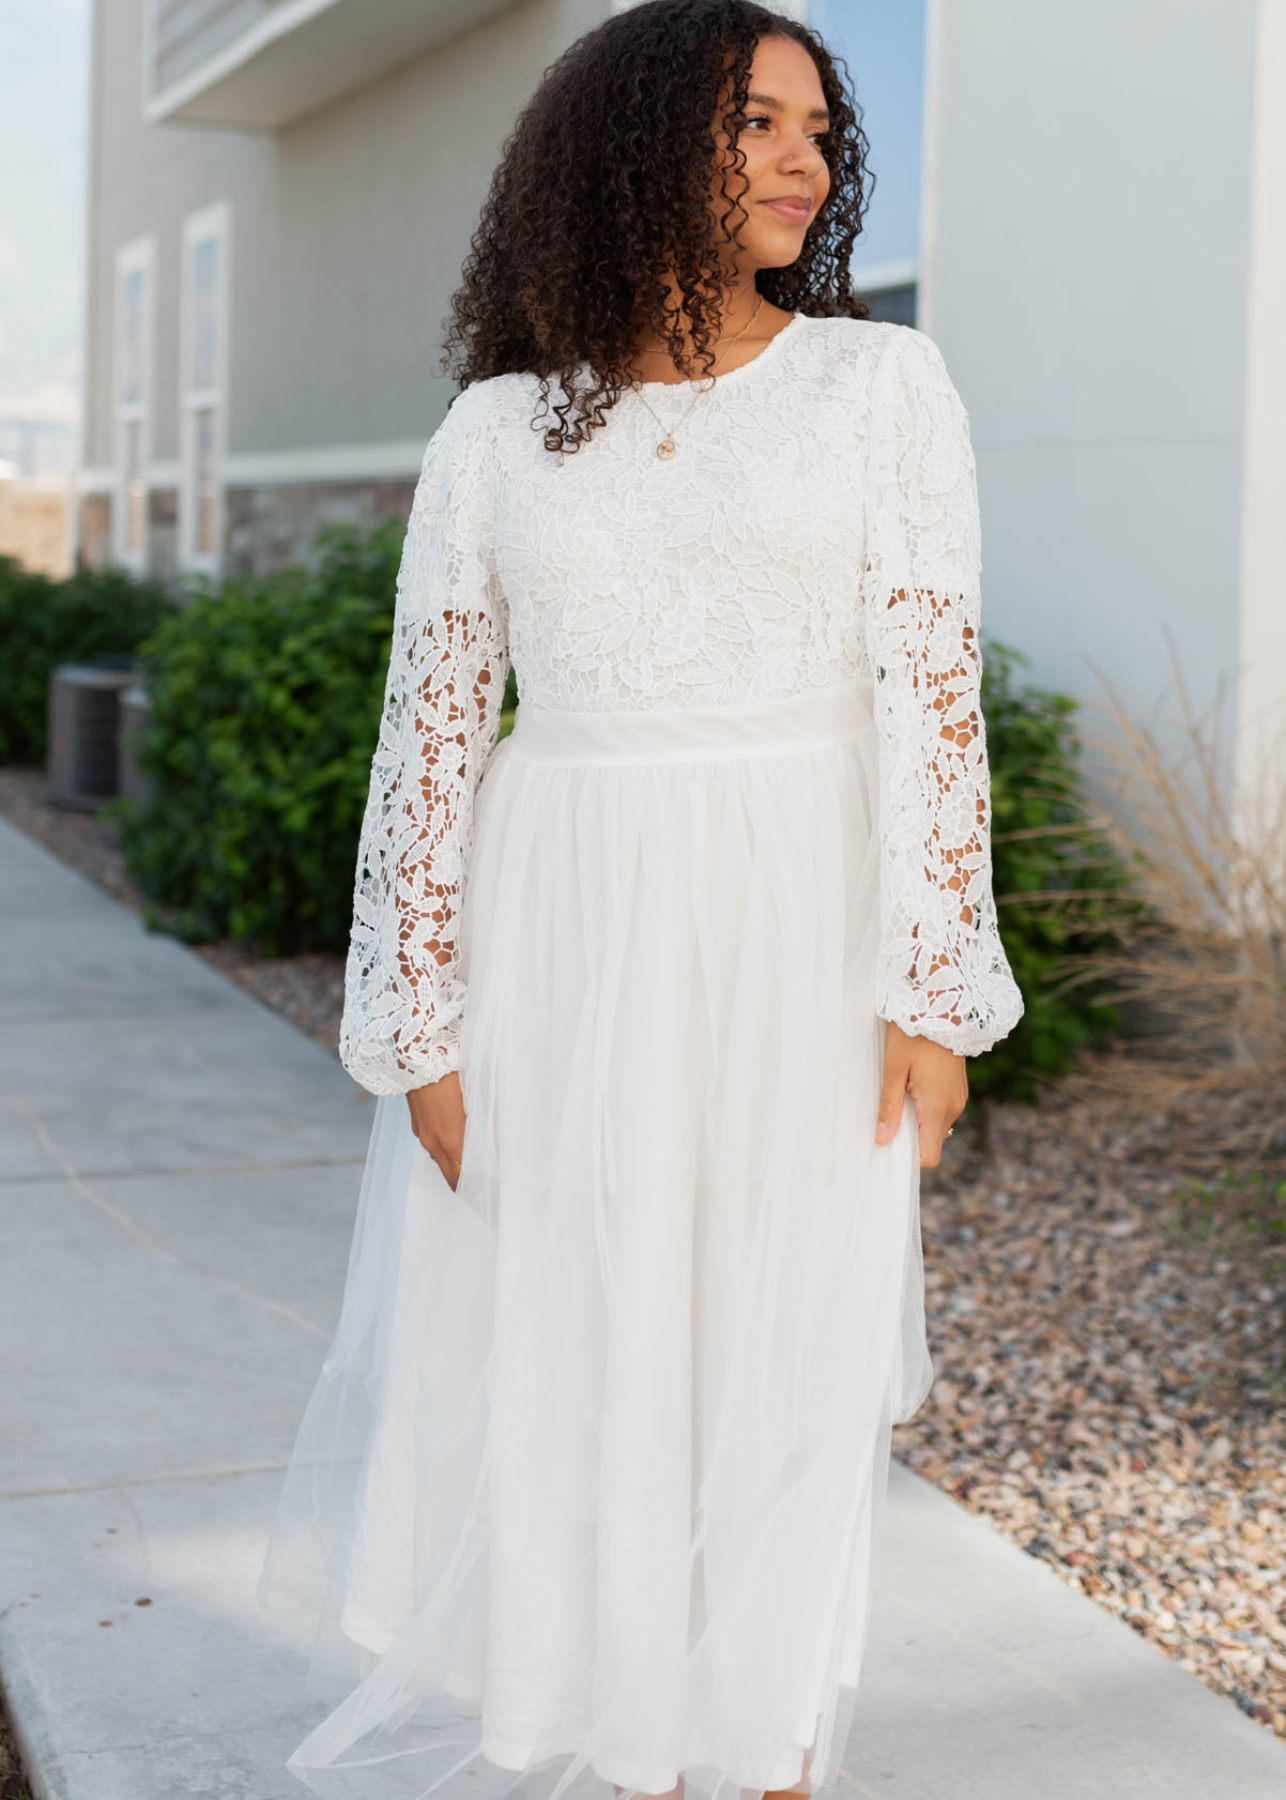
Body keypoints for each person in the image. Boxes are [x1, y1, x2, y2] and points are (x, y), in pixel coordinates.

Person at [257, 3, 1023, 1797]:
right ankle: (623, 1745)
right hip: (564, 939)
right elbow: (428, 739)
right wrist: (417, 1023)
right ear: (628, 147)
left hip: (801, 931)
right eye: (751, 121)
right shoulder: (499, 432)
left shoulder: (876, 390)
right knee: (577, 1353)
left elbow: (932, 692)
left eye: (819, 133)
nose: (799, 160)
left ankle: (763, 1754)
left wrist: (930, 986)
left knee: (779, 1363)